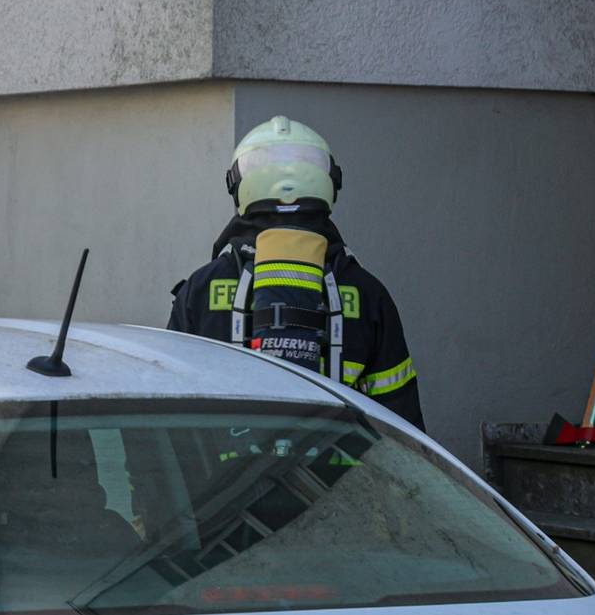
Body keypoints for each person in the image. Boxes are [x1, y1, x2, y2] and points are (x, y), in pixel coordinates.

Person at [167, 115, 424, 428]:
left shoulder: (201, 289)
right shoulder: (367, 293)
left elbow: (170, 406)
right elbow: (401, 421)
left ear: (238, 186)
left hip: (226, 460)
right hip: (336, 460)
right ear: (329, 184)